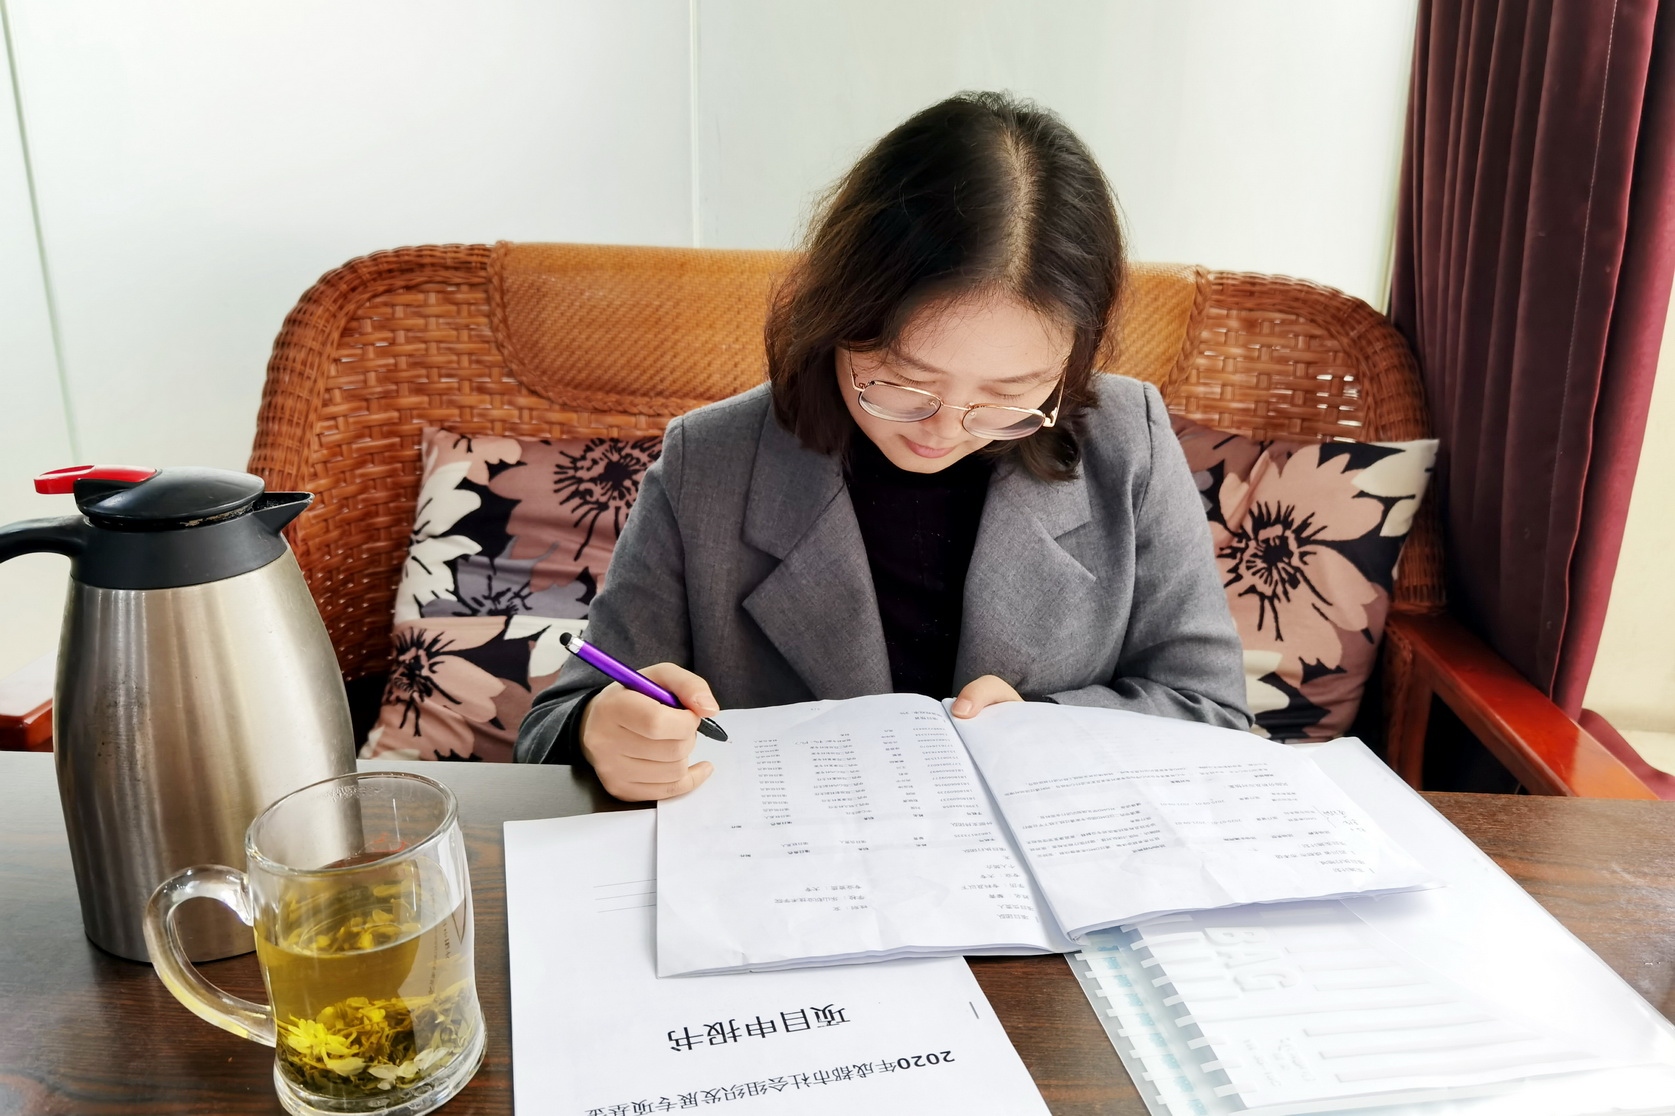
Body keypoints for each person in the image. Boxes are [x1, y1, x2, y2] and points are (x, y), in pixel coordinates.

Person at [515, 91, 1249, 799]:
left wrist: (1049, 730)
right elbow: (556, 723)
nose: (945, 429)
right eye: (904, 382)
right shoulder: (710, 463)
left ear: (1073, 361)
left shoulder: (1127, 442)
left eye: (1010, 395)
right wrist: (598, 732)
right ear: (839, 316)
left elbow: (1212, 712)